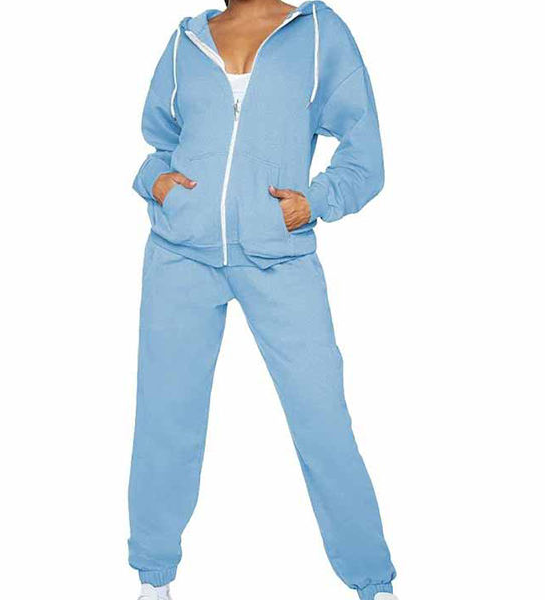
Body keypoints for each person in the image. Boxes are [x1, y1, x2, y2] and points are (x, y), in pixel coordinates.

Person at [129, 1, 397, 598]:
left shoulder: (319, 33)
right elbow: (160, 142)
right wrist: (156, 182)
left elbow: (365, 155)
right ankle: (153, 575)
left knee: (321, 418)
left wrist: (316, 201)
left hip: (280, 255)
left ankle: (372, 581)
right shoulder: (186, 40)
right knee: (166, 416)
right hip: (179, 253)